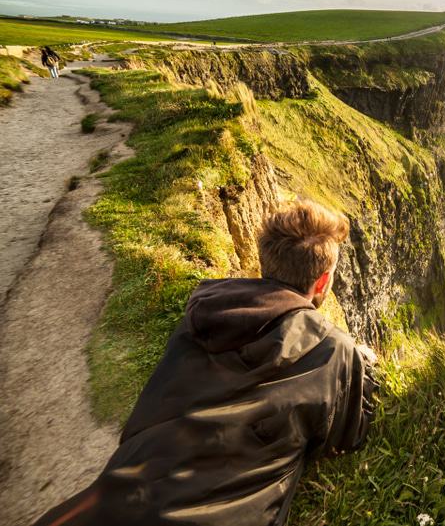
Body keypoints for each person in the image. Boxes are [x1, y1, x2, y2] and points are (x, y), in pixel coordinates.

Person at [33, 200, 378, 526]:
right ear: (323, 281)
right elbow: (346, 436)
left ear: (265, 261)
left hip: (113, 499)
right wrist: (360, 365)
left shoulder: (204, 313)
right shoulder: (331, 349)